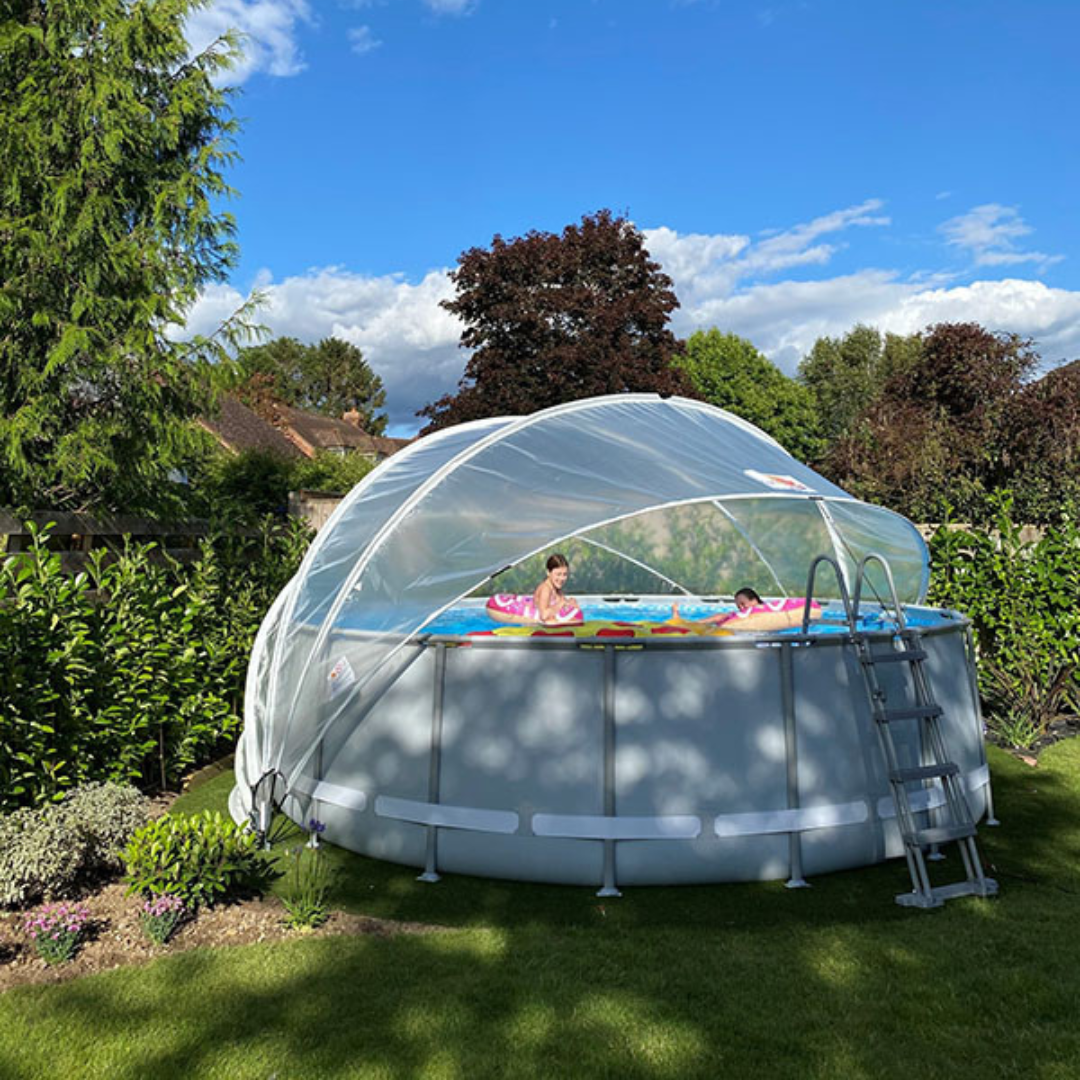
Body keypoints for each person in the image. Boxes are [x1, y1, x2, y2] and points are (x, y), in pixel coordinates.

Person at [486, 553, 583, 626]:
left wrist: (570, 602)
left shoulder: (556, 587)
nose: (562, 579)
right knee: (548, 622)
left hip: (538, 610)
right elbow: (544, 616)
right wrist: (561, 604)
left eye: (565, 574)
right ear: (548, 573)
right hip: (499, 610)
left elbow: (561, 602)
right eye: (558, 574)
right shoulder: (546, 589)